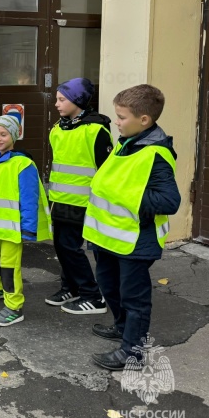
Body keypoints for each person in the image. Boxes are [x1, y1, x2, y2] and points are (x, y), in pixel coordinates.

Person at [85, 84, 181, 370]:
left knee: (134, 297)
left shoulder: (156, 154)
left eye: (121, 117)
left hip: (136, 241)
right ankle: (123, 327)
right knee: (109, 286)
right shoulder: (127, 141)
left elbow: (169, 201)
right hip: (109, 237)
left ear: (144, 120)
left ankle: (133, 352)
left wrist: (124, 192)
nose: (116, 122)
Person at [0, 114, 51, 326]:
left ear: (14, 136)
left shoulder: (23, 165)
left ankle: (14, 306)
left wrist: (28, 228)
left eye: (3, 134)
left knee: (9, 266)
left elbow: (29, 198)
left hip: (12, 229)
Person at [46, 78, 112, 314]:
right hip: (59, 200)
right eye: (57, 99)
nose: (57, 104)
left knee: (69, 247)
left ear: (78, 100)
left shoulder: (96, 130)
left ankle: (92, 296)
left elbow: (106, 170)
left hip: (82, 202)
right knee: (61, 247)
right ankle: (70, 287)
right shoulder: (58, 128)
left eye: (62, 99)